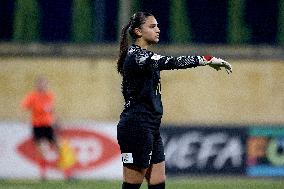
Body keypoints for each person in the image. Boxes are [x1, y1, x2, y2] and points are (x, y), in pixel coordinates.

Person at [116, 12, 232, 189]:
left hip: (151, 127)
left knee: (158, 184)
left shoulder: (144, 56)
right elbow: (171, 62)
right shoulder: (136, 56)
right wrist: (206, 60)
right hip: (136, 127)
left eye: (158, 26)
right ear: (138, 31)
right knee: (131, 186)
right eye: (152, 26)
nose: (158, 30)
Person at [21, 76, 58, 180]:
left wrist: (55, 120)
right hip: (38, 126)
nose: (43, 86)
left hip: (48, 125)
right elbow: (24, 107)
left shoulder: (50, 96)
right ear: (37, 85)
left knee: (57, 147)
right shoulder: (32, 96)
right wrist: (24, 119)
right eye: (41, 84)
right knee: (42, 149)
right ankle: (43, 174)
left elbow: (51, 110)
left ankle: (66, 173)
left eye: (45, 84)